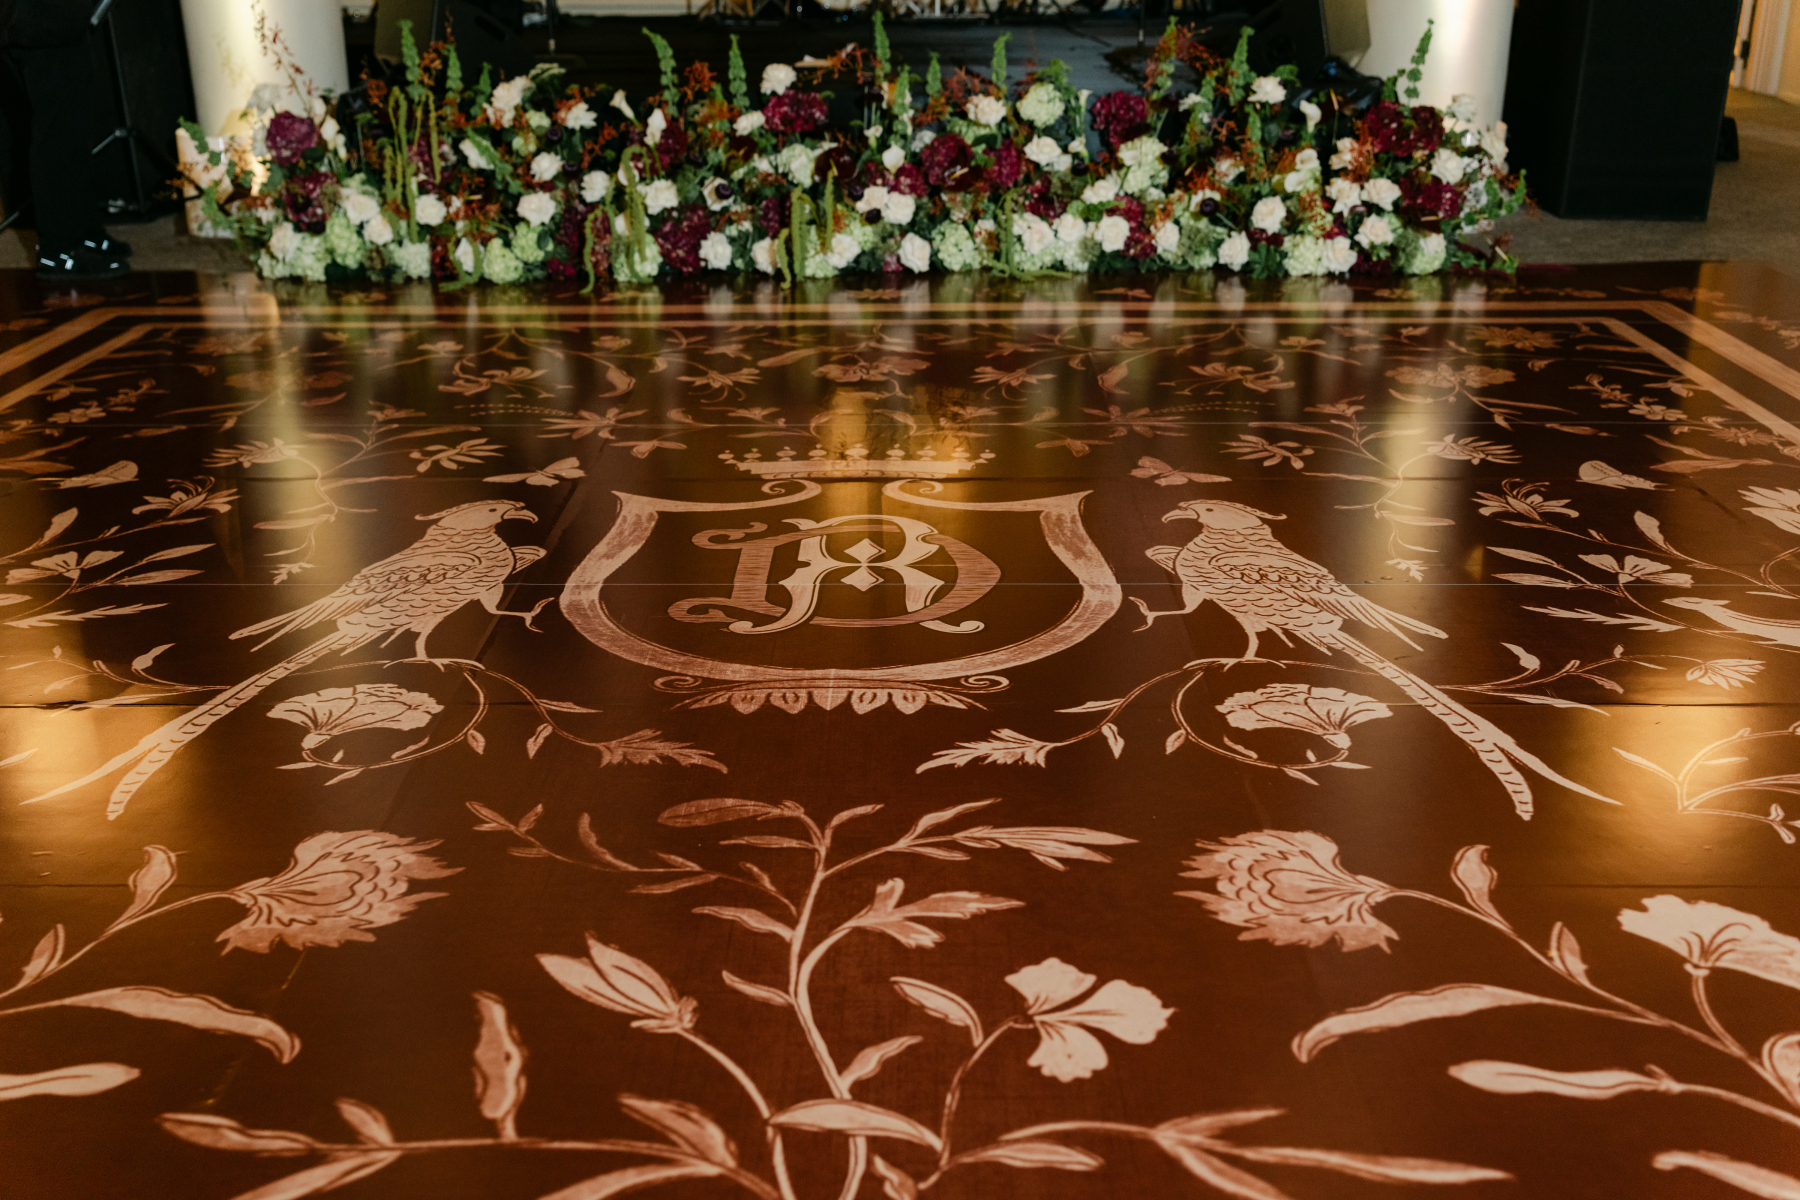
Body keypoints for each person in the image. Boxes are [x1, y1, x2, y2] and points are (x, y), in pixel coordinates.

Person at [4, 0, 130, 280]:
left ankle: (85, 232)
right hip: (39, 21)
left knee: (76, 132)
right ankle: (58, 250)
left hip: (66, 19)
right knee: (56, 138)